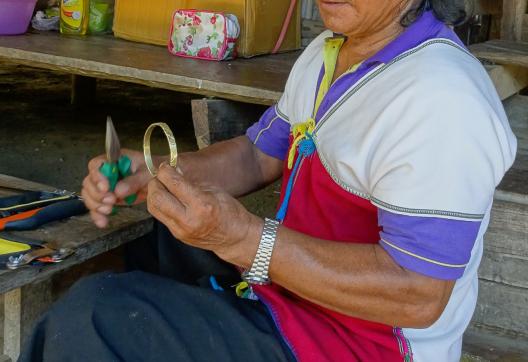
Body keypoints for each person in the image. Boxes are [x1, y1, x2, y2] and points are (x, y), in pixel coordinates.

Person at [20, 0, 517, 361]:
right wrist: (153, 173)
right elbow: (258, 155)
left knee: (96, 316)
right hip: (289, 292)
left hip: (358, 344)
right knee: (151, 244)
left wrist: (246, 241)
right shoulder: (330, 52)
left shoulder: (441, 101)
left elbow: (418, 294)